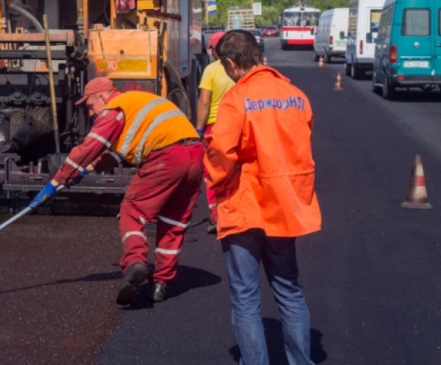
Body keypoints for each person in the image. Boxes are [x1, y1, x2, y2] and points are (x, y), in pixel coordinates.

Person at [31, 77, 203, 305]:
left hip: (166, 156)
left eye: (90, 106)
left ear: (102, 96)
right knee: (174, 221)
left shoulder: (114, 108)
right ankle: (161, 283)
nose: (91, 113)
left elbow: (91, 145)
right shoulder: (138, 103)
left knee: (132, 211)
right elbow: (118, 152)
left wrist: (56, 181)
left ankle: (134, 263)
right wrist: (87, 170)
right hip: (195, 154)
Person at [205, 30, 321, 365]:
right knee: (289, 291)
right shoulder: (296, 95)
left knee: (245, 297)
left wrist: (214, 184)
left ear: (230, 63)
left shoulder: (236, 98)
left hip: (245, 206)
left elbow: (221, 154)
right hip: (284, 206)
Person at [194, 31, 235, 234]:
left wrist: (199, 128)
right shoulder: (239, 68)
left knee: (211, 170)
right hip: (237, 125)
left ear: (213, 49)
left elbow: (204, 101)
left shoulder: (211, 70)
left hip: (215, 127)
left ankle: (216, 214)